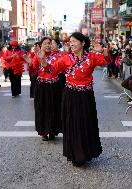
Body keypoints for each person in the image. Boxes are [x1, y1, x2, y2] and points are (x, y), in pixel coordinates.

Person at [38, 32, 110, 166]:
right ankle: (76, 155)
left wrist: (103, 51)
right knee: (73, 124)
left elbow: (107, 62)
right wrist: (43, 60)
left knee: (86, 123)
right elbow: (51, 70)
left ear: (83, 43)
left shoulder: (92, 57)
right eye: (70, 42)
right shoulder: (66, 58)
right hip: (70, 94)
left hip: (86, 96)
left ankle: (87, 152)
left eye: (74, 41)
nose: (71, 44)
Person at [30, 37, 62, 141]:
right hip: (41, 86)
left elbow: (57, 69)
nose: (48, 45)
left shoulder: (57, 56)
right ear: (41, 45)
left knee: (54, 108)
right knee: (41, 108)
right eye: (45, 44)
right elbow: (33, 70)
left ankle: (53, 131)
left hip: (54, 86)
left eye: (49, 43)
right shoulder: (37, 56)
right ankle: (43, 132)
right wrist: (30, 63)